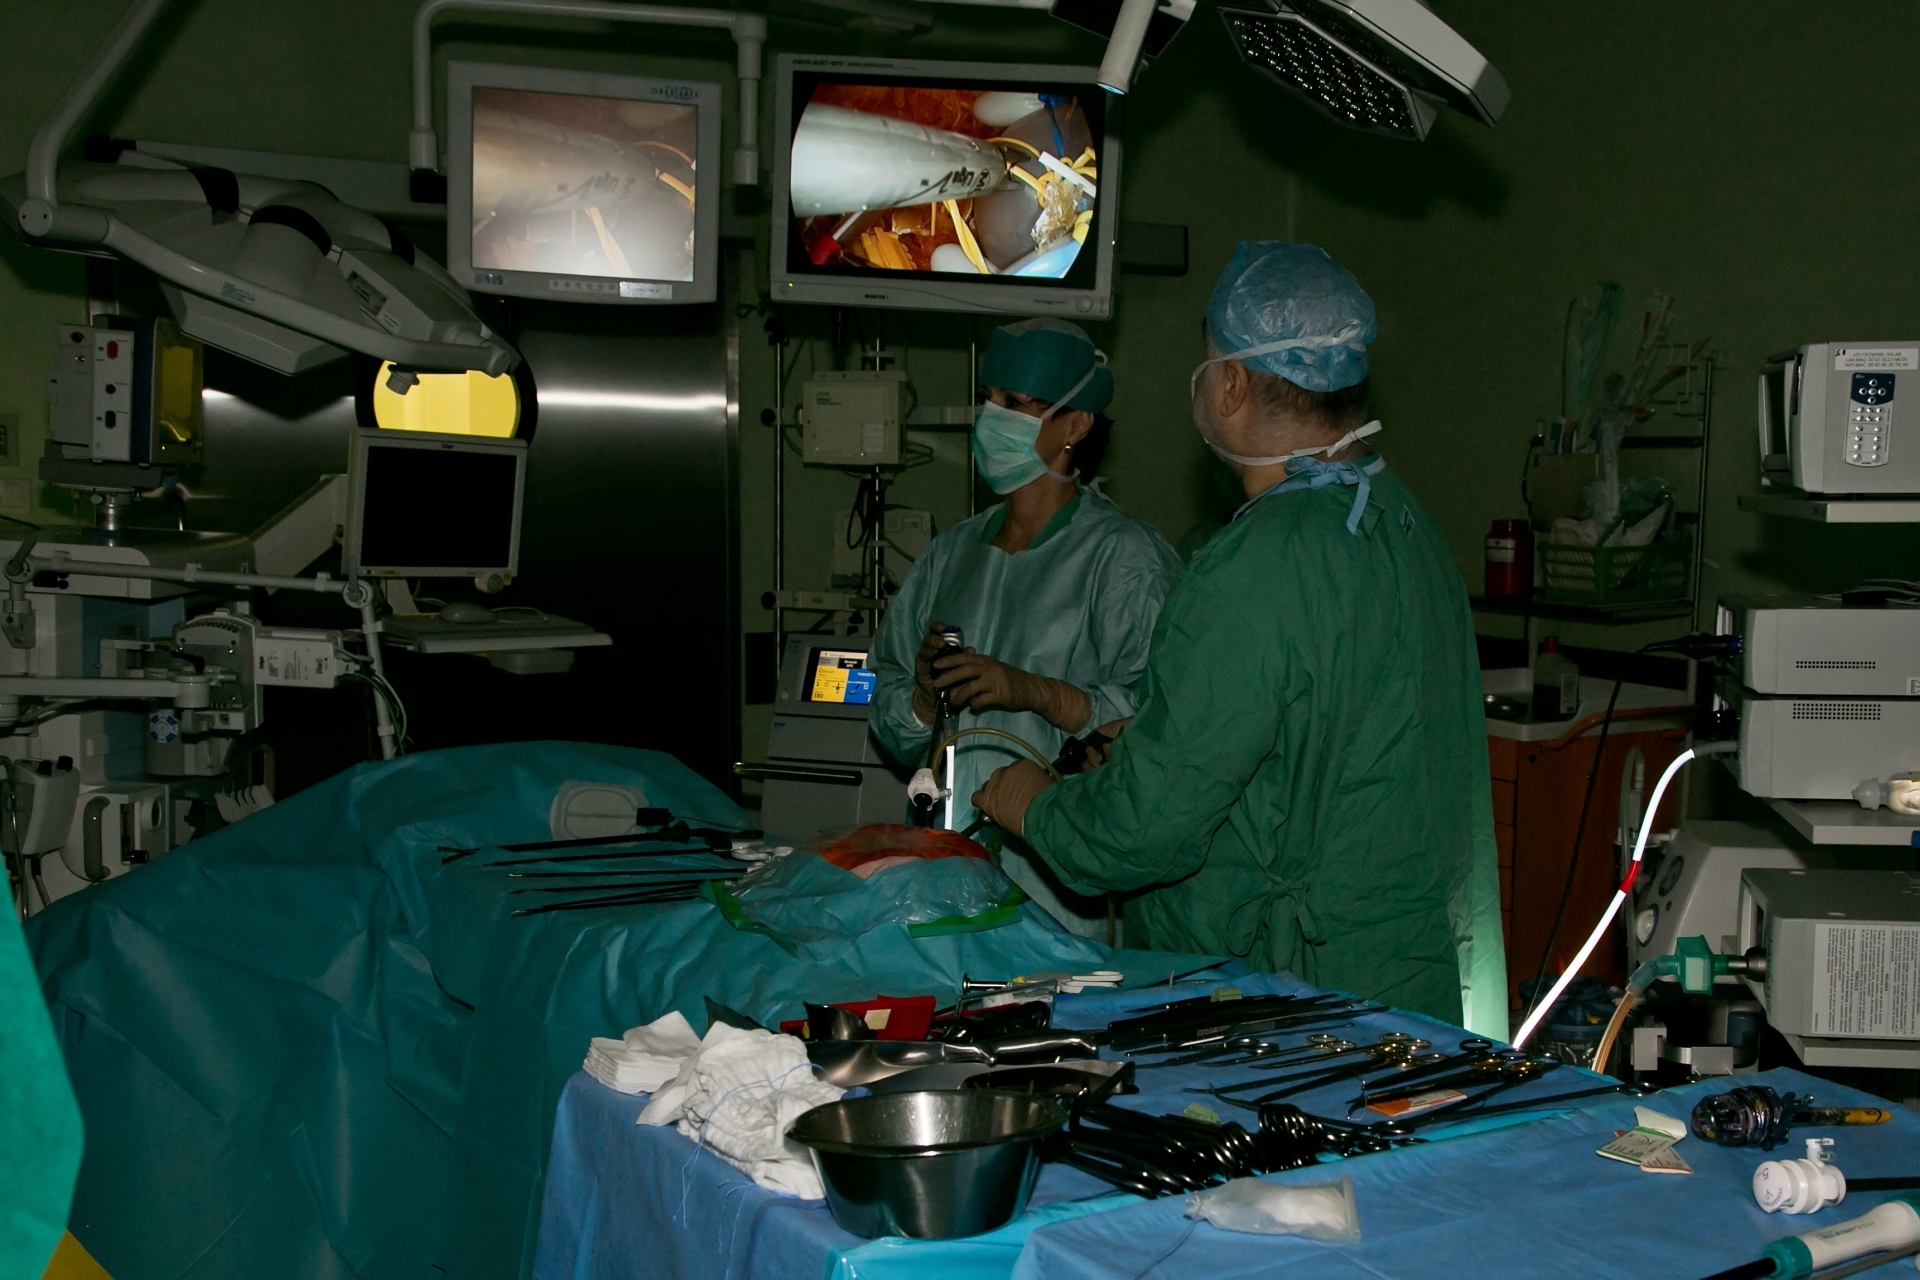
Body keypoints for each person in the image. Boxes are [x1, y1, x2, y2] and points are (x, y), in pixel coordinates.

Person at [972, 243, 1507, 1035]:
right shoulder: (1401, 519)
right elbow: (1340, 740)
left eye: (1205, 362)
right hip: (1404, 982)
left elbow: (1142, 833)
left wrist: (1032, 804)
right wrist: (1155, 738)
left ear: (1229, 384)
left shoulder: (1254, 563)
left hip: (1288, 1008)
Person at [866, 318, 1183, 940]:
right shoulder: (951, 555)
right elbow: (891, 708)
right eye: (988, 398)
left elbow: (1163, 729)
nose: (992, 417)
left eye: (1015, 403)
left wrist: (1035, 693)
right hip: (945, 875)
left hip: (1066, 894)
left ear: (1076, 424)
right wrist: (924, 699)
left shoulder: (1125, 560)